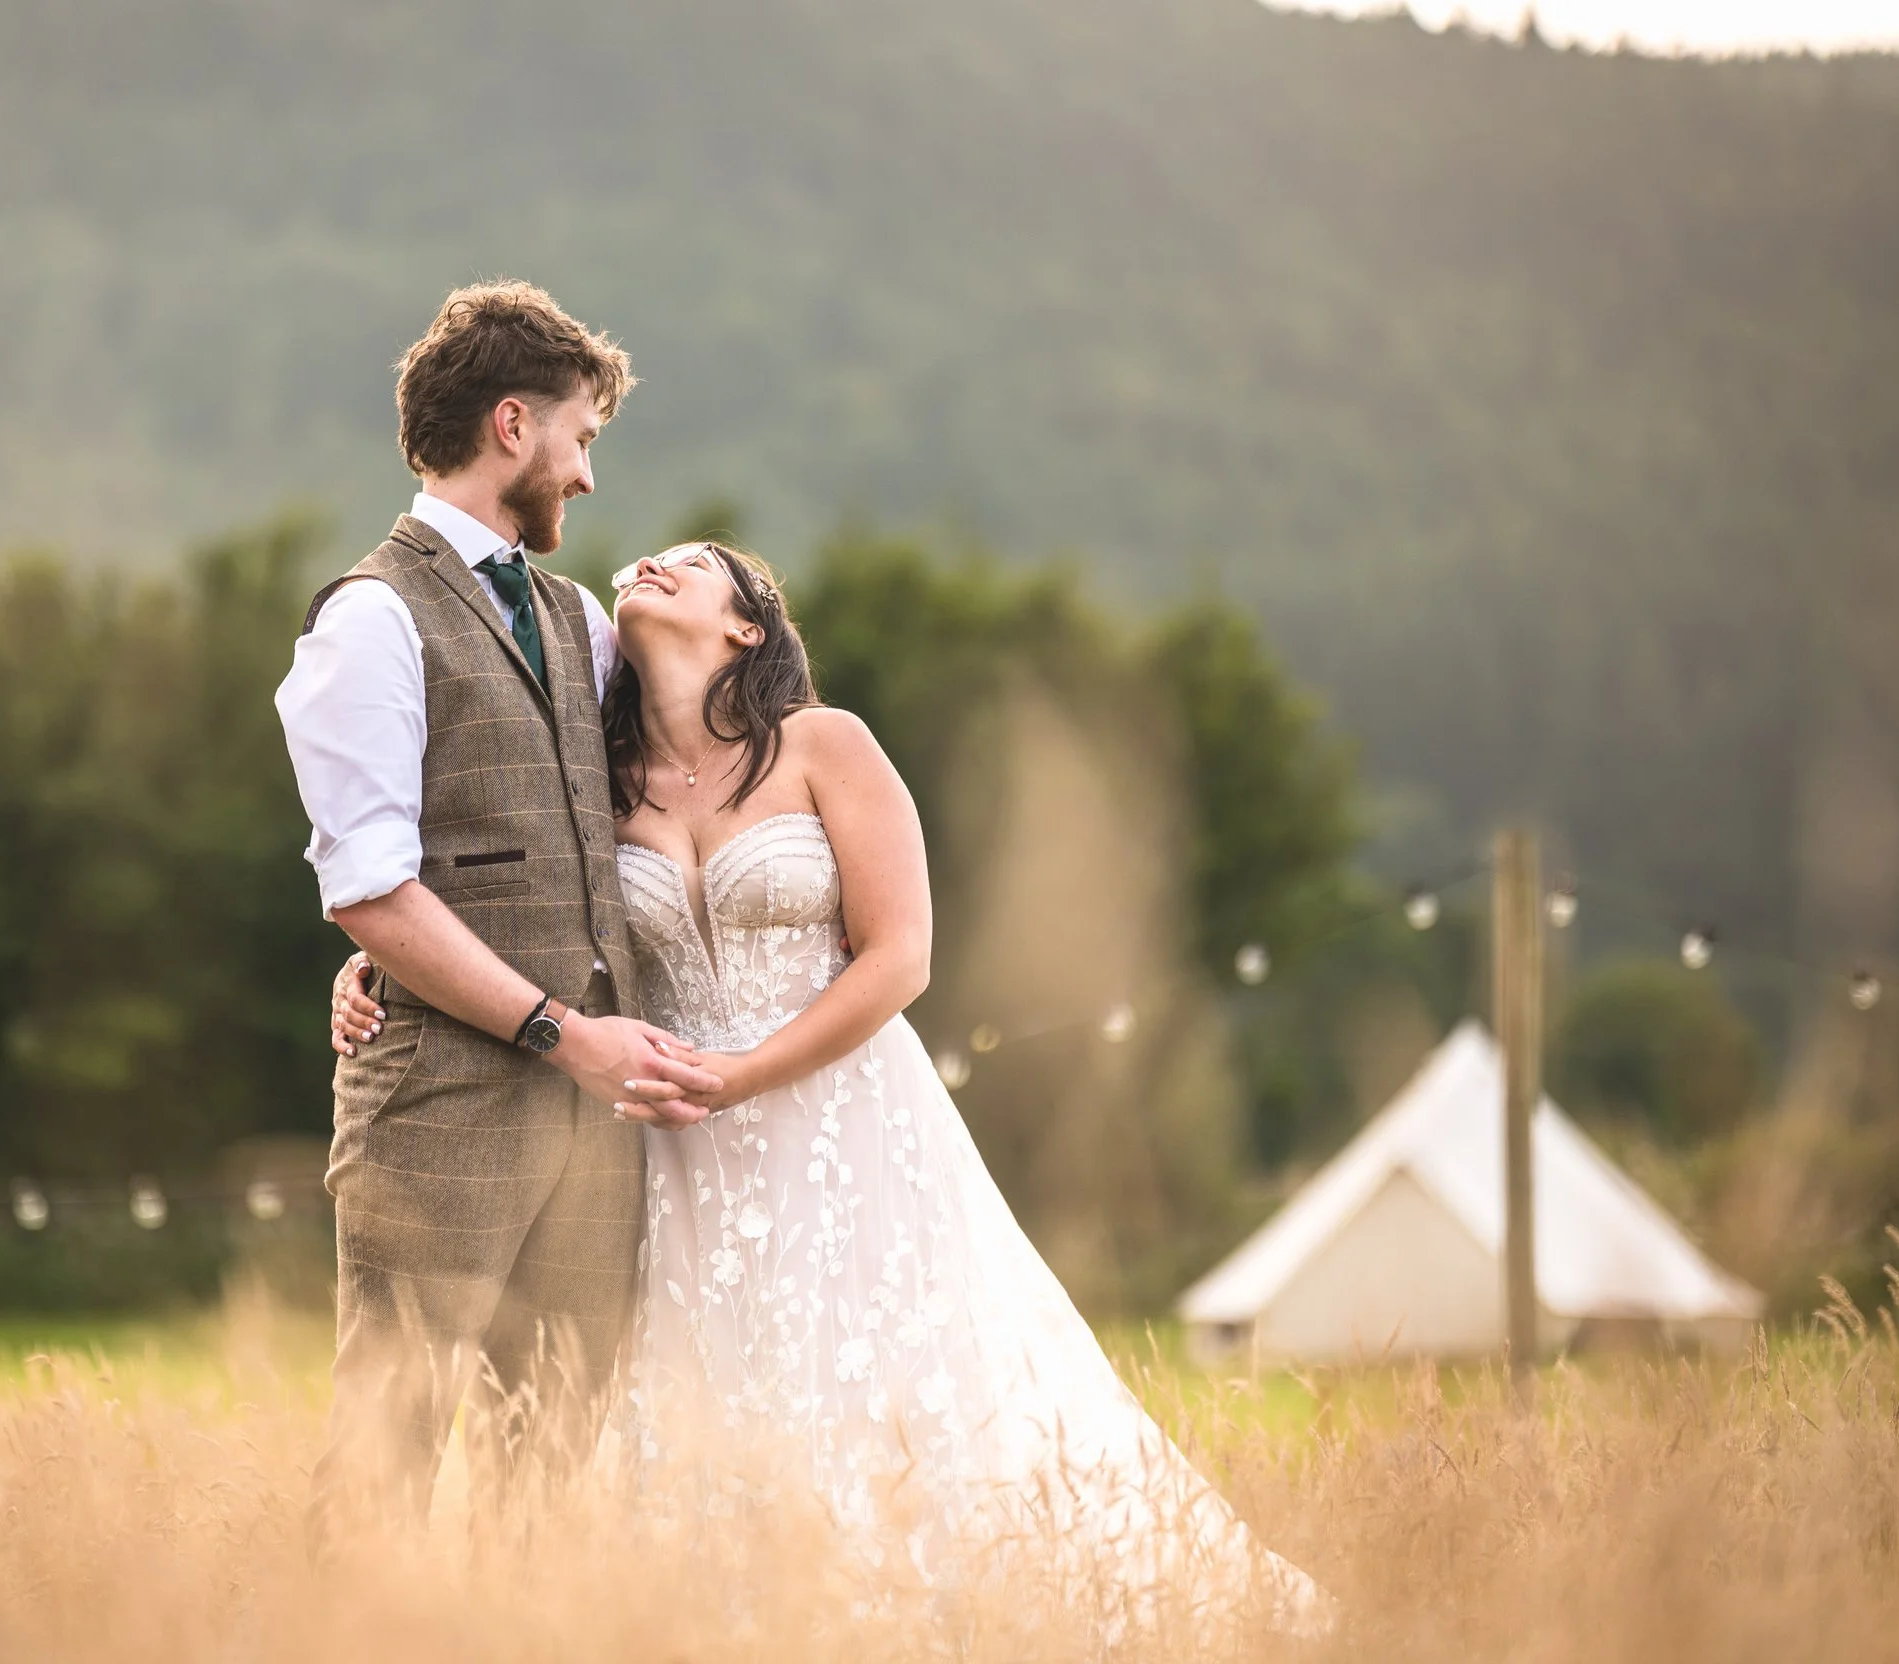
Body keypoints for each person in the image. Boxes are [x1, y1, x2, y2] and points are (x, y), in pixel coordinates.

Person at [326, 539, 1325, 1628]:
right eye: (653, 557)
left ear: (746, 626)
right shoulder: (595, 785)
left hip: (843, 1117)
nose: (653, 560)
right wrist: (378, 960)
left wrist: (750, 1072)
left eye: (694, 562)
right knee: (708, 1397)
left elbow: (901, 955)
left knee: (894, 1373)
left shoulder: (820, 745)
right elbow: (507, 899)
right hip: (673, 1142)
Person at [274, 282, 721, 1553]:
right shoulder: (367, 618)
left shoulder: (577, 620)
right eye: (581, 440)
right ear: (512, 425)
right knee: (384, 1456)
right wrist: (559, 1033)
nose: (584, 478)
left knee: (547, 1474)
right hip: (441, 1111)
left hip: (594, 1130)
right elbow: (368, 885)